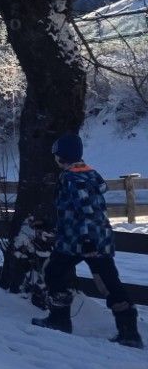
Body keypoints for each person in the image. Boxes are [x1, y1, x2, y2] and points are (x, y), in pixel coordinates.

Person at [32, 133, 142, 346]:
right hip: (86, 239)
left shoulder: (73, 178)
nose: (55, 159)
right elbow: (70, 210)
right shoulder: (87, 174)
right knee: (104, 281)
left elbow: (86, 210)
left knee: (59, 273)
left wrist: (87, 240)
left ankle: (62, 320)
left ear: (62, 156)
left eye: (56, 155)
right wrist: (50, 224)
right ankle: (128, 332)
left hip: (83, 241)